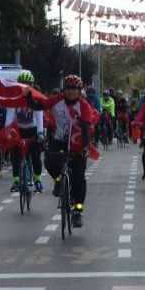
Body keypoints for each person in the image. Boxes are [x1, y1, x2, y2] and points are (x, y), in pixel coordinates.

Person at [28, 74, 97, 228]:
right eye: (68, 89)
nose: (71, 92)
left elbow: (86, 128)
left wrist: (85, 147)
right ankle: (58, 180)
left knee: (78, 178)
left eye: (75, 89)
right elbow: (40, 105)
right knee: (49, 161)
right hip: (59, 140)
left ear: (80, 91)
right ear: (63, 90)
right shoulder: (57, 99)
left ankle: (78, 210)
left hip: (78, 142)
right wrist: (28, 97)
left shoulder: (84, 106)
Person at [8, 71, 44, 193]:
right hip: (18, 130)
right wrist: (8, 131)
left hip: (33, 130)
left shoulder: (36, 98)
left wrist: (40, 133)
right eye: (22, 84)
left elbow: (39, 117)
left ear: (32, 85)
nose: (25, 86)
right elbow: (10, 117)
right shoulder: (14, 98)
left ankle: (38, 180)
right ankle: (16, 181)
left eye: (28, 84)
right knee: (15, 155)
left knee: (35, 155)